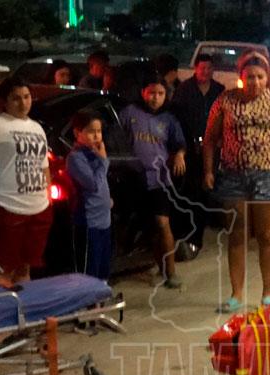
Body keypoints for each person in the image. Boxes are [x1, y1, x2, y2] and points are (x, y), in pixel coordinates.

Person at [203, 52, 270, 313]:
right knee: (237, 235)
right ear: (241, 77)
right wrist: (208, 171)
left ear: (267, 77)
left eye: (260, 77)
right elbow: (210, 139)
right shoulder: (225, 101)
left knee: (268, 235)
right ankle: (236, 294)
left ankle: (268, 294)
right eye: (250, 77)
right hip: (233, 176)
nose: (255, 82)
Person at [0, 77, 53, 287]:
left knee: (25, 267)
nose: (23, 103)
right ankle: (0, 307)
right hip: (5, 204)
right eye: (16, 98)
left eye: (26, 97)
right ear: (5, 101)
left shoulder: (36, 128)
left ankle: (25, 306)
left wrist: (47, 196)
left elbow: (44, 165)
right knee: (3, 269)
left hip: (37, 206)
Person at [119, 78, 188, 289]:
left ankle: (171, 272)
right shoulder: (130, 113)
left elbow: (180, 144)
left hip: (160, 180)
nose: (155, 98)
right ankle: (160, 266)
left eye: (160, 93)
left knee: (162, 222)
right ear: (143, 92)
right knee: (150, 227)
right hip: (134, 179)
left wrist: (180, 155)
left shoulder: (169, 119)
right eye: (151, 93)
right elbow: (115, 137)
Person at [172, 53, 225, 252]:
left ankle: (197, 237)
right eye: (202, 68)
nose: (206, 72)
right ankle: (184, 234)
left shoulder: (219, 90)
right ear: (196, 68)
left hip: (211, 149)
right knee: (187, 192)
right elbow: (176, 119)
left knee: (205, 191)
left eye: (209, 68)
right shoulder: (184, 89)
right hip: (188, 148)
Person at [67, 111, 112, 280]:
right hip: (89, 222)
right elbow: (93, 184)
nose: (97, 136)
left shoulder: (95, 153)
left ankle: (102, 294)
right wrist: (104, 161)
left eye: (99, 131)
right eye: (91, 131)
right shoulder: (76, 158)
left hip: (104, 220)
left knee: (103, 268)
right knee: (89, 271)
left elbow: (102, 184)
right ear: (77, 133)